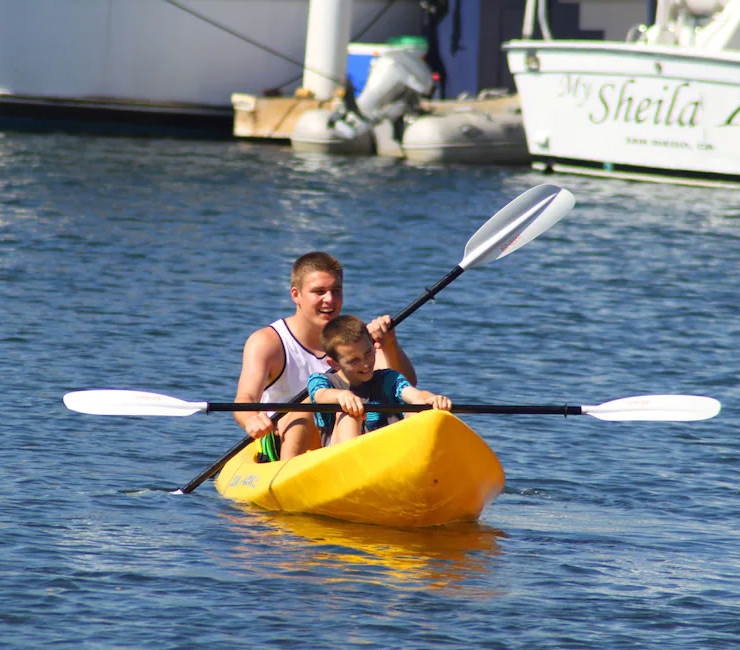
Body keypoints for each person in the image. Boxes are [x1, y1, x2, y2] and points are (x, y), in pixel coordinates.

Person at [234, 251, 416, 460]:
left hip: (348, 438)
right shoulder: (267, 342)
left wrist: (389, 344)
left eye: (336, 290)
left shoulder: (356, 340)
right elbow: (245, 399)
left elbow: (403, 387)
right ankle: (292, 476)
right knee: (306, 406)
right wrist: (251, 420)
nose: (329, 299)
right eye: (319, 291)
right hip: (283, 441)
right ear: (296, 295)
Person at [307, 314, 451, 447]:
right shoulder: (321, 380)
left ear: (373, 346)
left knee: (420, 406)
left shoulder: (389, 378)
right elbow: (321, 394)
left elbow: (417, 395)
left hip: (391, 455)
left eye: (368, 353)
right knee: (350, 414)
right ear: (334, 364)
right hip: (341, 461)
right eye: (354, 360)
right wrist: (341, 396)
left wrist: (432, 399)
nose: (365, 364)